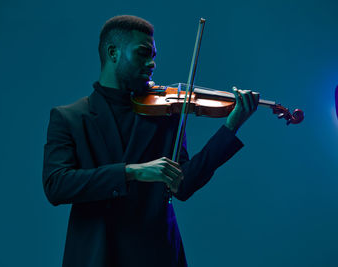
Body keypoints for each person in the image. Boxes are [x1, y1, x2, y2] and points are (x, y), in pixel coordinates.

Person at [42, 15, 259, 267]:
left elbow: (184, 184)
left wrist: (231, 126)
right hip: (98, 255)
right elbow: (56, 185)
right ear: (113, 53)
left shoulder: (165, 114)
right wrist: (131, 172)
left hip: (158, 255)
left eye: (154, 55)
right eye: (143, 53)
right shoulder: (69, 117)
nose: (152, 63)